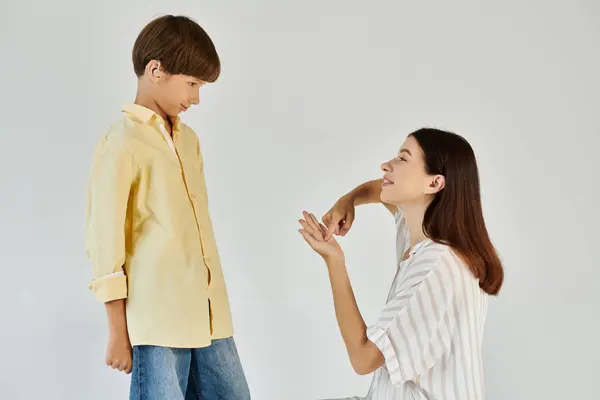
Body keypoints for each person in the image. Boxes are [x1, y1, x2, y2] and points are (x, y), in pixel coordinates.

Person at [85, 15, 251, 400]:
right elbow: (105, 243)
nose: (195, 98)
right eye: (192, 84)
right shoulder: (121, 142)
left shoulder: (189, 140)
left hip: (211, 319)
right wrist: (117, 332)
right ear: (155, 70)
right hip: (156, 324)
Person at [298, 128, 504, 399]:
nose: (387, 165)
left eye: (402, 159)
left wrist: (334, 262)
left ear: (434, 184)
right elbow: (378, 189)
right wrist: (350, 199)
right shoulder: (423, 234)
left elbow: (363, 358)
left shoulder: (435, 267)